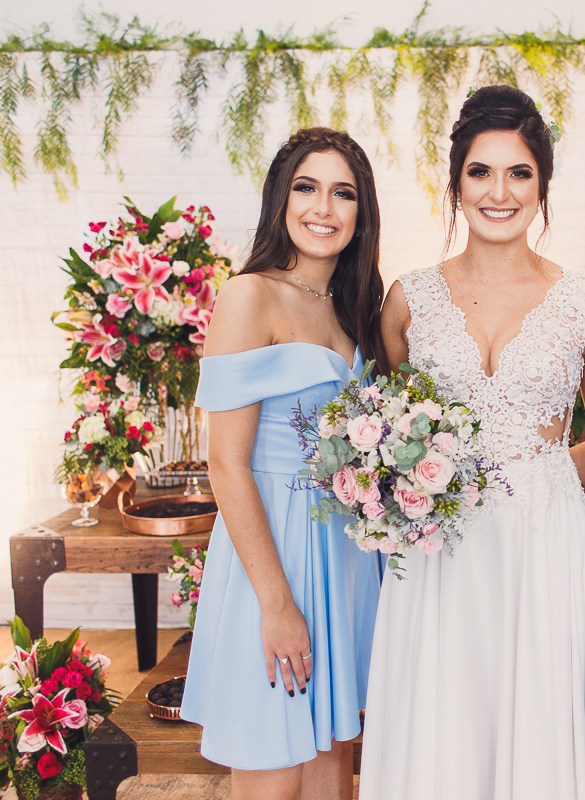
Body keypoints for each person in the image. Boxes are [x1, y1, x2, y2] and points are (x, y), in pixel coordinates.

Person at [356, 85, 585, 800]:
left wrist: (531, 475)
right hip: (441, 549)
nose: (499, 192)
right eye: (481, 172)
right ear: (455, 184)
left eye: (519, 173)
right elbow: (387, 434)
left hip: (544, 543)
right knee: (442, 710)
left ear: (543, 186)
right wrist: (414, 489)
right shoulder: (409, 298)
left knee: (543, 702)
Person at [180, 127, 385, 800]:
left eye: (342, 193)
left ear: (361, 215)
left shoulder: (356, 309)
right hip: (275, 556)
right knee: (270, 764)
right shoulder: (250, 296)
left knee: (332, 768)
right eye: (306, 187)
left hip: (343, 556)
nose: (323, 207)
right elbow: (226, 463)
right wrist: (276, 604)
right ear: (280, 199)